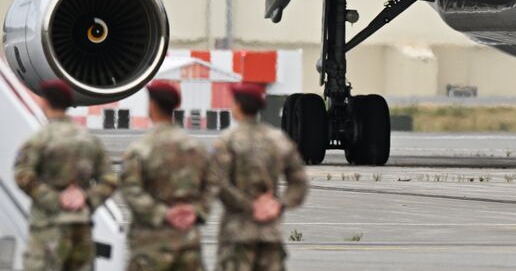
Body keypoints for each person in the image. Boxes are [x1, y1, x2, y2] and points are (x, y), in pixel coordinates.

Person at [12, 79, 119, 271]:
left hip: (47, 227)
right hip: (80, 224)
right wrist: (85, 198)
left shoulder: (40, 139)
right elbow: (110, 179)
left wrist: (55, 199)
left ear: (46, 102)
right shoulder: (89, 140)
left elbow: (22, 174)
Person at [211, 83, 308, 271]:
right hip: (269, 231)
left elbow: (217, 182)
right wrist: (279, 205)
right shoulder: (278, 140)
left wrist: (248, 205)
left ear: (238, 106)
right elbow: (299, 182)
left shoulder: (227, 141)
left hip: (237, 232)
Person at [120, 81, 212, 270]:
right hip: (187, 239)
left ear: (152, 106)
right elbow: (212, 185)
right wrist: (196, 211)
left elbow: (130, 189)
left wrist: (163, 213)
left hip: (150, 242)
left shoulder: (141, 148)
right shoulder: (197, 148)